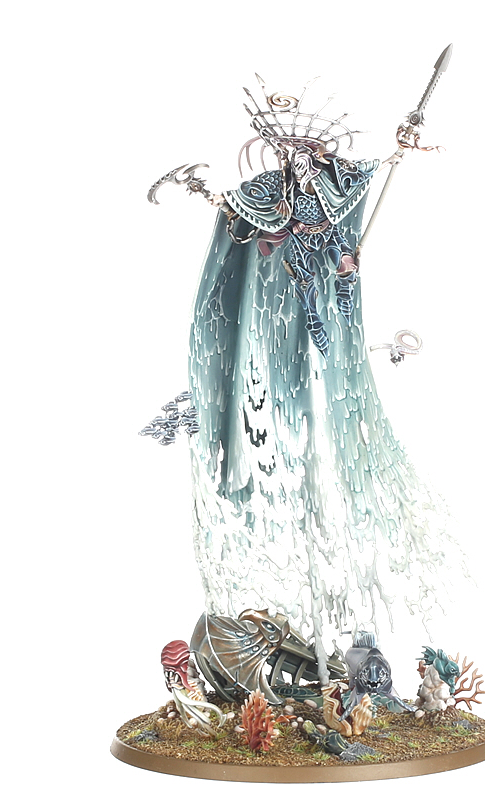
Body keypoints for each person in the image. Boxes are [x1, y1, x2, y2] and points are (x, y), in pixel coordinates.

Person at [157, 80, 465, 680]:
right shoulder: (264, 192)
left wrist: (398, 151)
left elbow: (355, 197)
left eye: (307, 152)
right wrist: (232, 210)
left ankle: (344, 649)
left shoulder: (335, 185)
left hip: (321, 332)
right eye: (289, 151)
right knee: (271, 438)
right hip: (271, 332)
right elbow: (243, 222)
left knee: (331, 452)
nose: (298, 159)